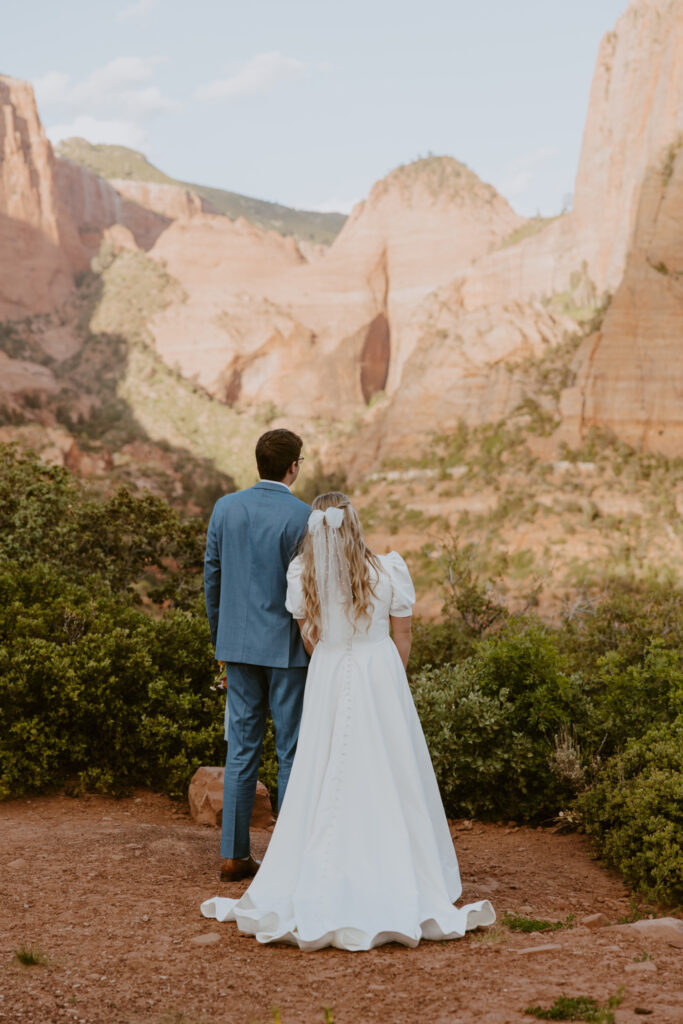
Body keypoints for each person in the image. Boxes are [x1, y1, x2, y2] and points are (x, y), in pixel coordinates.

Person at [201, 491, 495, 949]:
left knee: (323, 769)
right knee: (386, 770)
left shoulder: (304, 574)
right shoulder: (389, 569)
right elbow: (404, 638)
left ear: (315, 531)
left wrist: (340, 661)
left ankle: (320, 867)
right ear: (355, 525)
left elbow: (312, 640)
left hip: (329, 674)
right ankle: (395, 866)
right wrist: (385, 679)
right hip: (382, 676)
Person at [204, 429, 310, 882]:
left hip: (238, 646)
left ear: (258, 463)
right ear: (293, 466)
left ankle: (234, 855)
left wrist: (220, 639)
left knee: (241, 750)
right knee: (291, 752)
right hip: (287, 649)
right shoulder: (305, 516)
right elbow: (310, 590)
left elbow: (212, 575)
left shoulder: (225, 508)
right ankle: (289, 860)